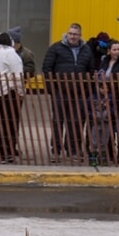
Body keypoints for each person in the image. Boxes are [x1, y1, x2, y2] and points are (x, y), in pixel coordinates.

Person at [42, 23, 94, 161]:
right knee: (58, 121)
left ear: (80, 36)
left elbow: (91, 71)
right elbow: (47, 69)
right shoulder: (56, 48)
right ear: (67, 34)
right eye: (70, 34)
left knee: (76, 122)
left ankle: (73, 151)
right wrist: (52, 89)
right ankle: (56, 151)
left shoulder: (86, 50)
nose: (72, 36)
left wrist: (87, 90)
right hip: (60, 92)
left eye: (75, 34)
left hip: (79, 93)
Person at [0, 31, 24, 164]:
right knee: (8, 124)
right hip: (8, 93)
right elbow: (18, 76)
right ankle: (3, 153)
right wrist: (20, 93)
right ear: (11, 43)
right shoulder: (12, 54)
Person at [87, 75, 114, 166]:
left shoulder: (110, 98)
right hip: (96, 123)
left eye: (107, 88)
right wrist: (91, 115)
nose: (105, 90)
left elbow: (115, 109)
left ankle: (103, 158)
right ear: (98, 88)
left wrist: (110, 111)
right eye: (103, 88)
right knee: (94, 141)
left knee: (104, 141)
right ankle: (93, 158)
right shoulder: (92, 97)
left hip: (106, 122)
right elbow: (88, 109)